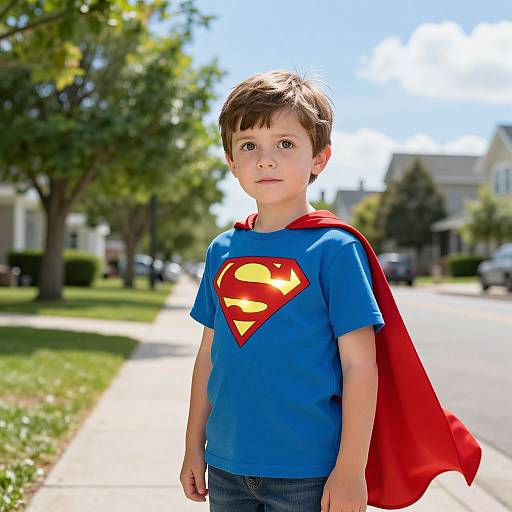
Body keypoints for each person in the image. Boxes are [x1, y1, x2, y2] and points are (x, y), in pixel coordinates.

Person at [180, 70, 481, 512]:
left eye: (285, 144)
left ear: (318, 159)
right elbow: (209, 354)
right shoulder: (222, 249)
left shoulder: (334, 250)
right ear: (230, 160)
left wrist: (350, 470)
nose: (266, 160)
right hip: (225, 465)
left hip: (308, 473)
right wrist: (193, 444)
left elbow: (360, 366)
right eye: (249, 146)